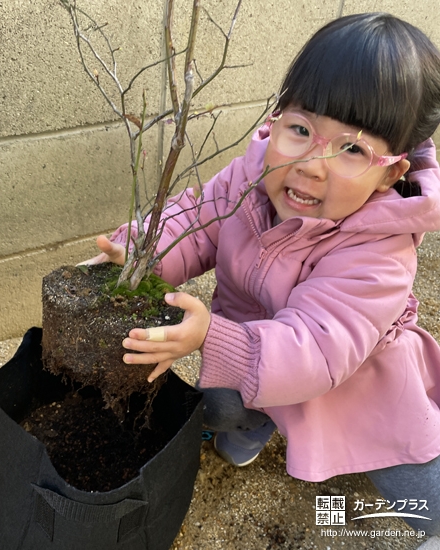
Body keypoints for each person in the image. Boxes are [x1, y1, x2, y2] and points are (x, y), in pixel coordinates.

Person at [83, 13, 440, 537]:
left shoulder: (379, 251)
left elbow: (315, 352)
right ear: (278, 119)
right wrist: (139, 251)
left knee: (415, 481)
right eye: (301, 129)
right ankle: (251, 430)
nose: (312, 165)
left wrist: (210, 336)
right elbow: (197, 220)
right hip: (254, 353)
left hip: (354, 386)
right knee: (219, 399)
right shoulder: (252, 176)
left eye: (352, 149)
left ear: (391, 172)